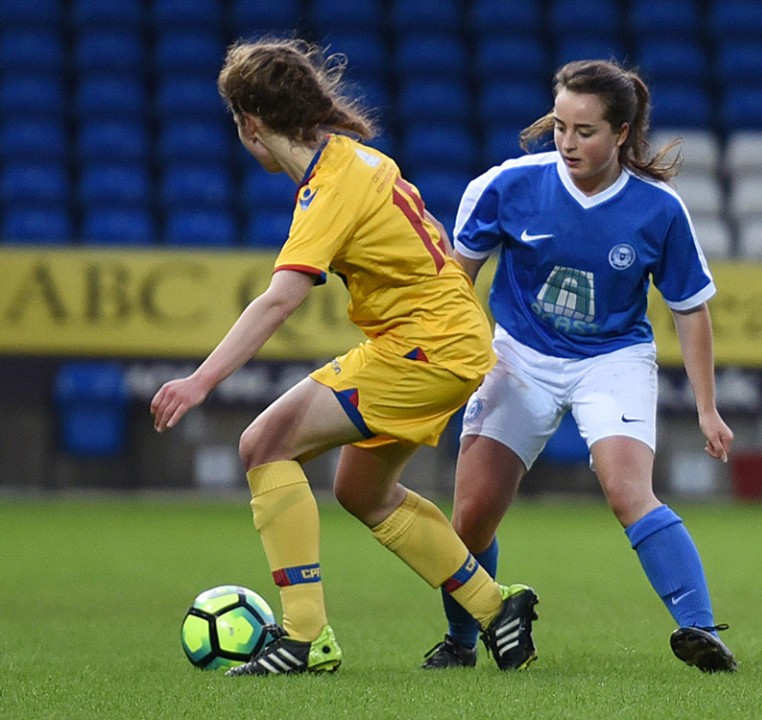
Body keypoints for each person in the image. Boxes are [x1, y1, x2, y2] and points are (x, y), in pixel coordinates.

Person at [150, 38, 539, 676]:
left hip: (426, 347)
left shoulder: (329, 187)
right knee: (361, 490)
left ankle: (305, 638)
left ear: (251, 124)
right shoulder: (356, 160)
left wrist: (200, 381)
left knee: (262, 445)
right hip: (449, 340)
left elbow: (280, 300)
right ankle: (496, 607)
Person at [420, 59, 737, 673]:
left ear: (621, 133)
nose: (567, 142)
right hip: (519, 355)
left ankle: (700, 630)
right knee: (472, 516)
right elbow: (456, 283)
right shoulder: (507, 186)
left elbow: (690, 310)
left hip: (612, 358)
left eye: (585, 131)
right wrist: (449, 362)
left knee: (627, 491)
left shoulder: (659, 209)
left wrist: (708, 408)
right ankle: (461, 641)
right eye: (560, 126)